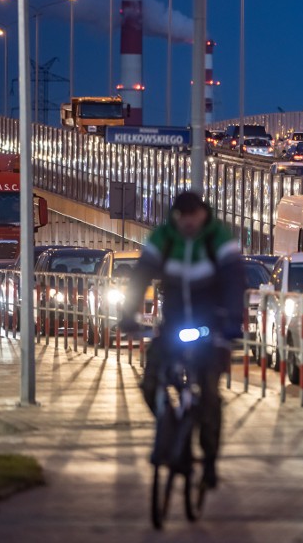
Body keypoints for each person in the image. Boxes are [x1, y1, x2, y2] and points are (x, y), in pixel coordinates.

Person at [119, 191, 245, 490]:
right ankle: (174, 433)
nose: (188, 222)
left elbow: (234, 280)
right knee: (150, 383)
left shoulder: (218, 239)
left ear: (203, 214)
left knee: (210, 396)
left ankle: (210, 461)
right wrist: (128, 314)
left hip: (210, 328)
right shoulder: (165, 238)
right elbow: (141, 275)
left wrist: (232, 322)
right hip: (173, 324)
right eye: (182, 216)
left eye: (194, 216)